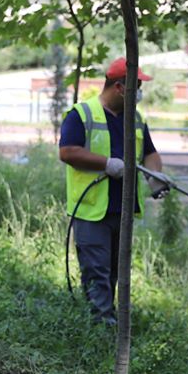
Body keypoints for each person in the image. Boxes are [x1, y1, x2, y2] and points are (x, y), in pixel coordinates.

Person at [58, 57, 170, 326]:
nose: (140, 91)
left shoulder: (136, 119)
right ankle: (101, 326)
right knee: (97, 272)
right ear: (121, 87)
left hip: (124, 210)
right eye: (138, 85)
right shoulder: (81, 114)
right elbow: (67, 152)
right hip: (92, 211)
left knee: (114, 273)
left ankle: (106, 323)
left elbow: (150, 153)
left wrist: (155, 178)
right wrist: (106, 164)